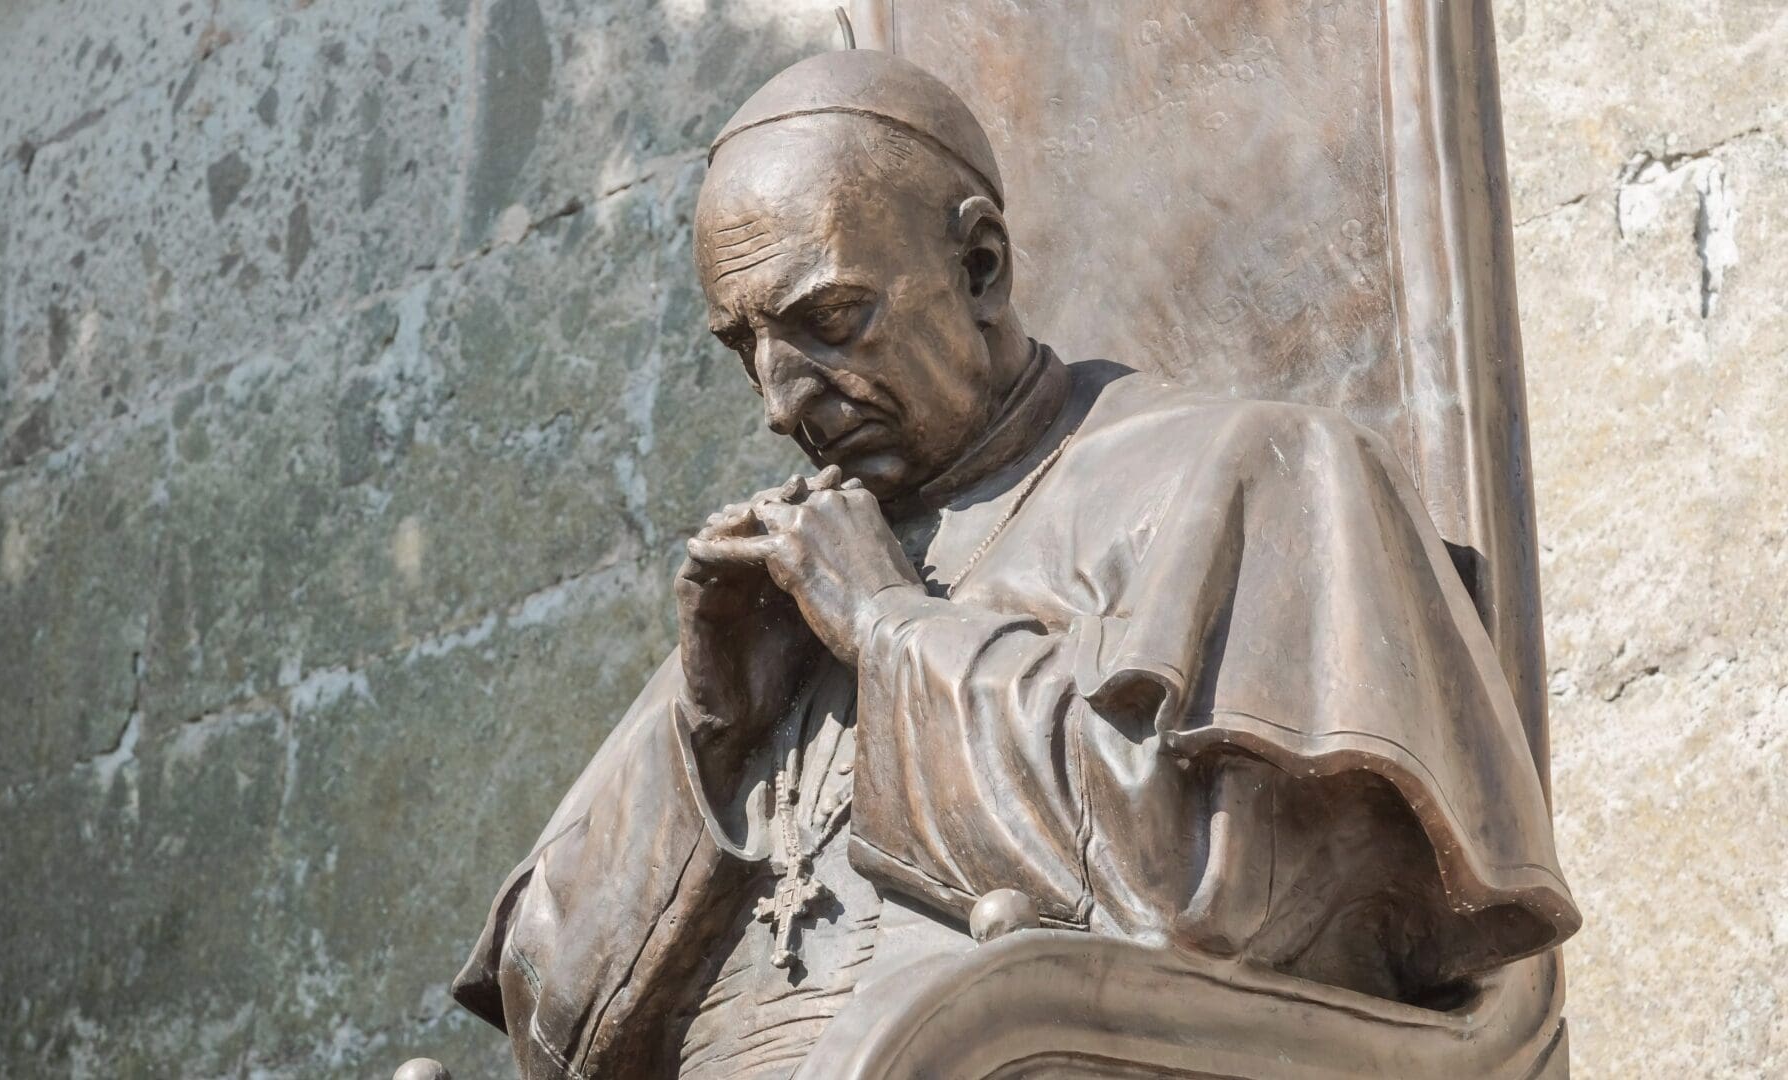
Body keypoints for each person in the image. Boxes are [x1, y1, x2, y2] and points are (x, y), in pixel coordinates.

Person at [452, 49, 1577, 1080]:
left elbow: (1202, 909)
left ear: (980, 266)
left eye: (831, 319)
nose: (781, 402)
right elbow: (556, 1021)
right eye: (745, 348)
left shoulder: (1254, 472)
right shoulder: (788, 581)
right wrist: (709, 727)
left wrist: (893, 624)